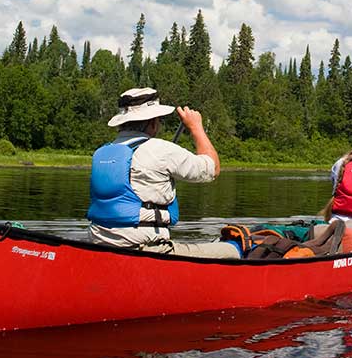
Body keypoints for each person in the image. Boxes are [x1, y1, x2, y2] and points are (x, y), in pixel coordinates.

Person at [87, 87, 239, 258]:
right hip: (146, 250)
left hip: (99, 246)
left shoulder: (101, 153)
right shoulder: (161, 150)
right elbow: (212, 169)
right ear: (153, 122)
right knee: (234, 249)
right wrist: (196, 127)